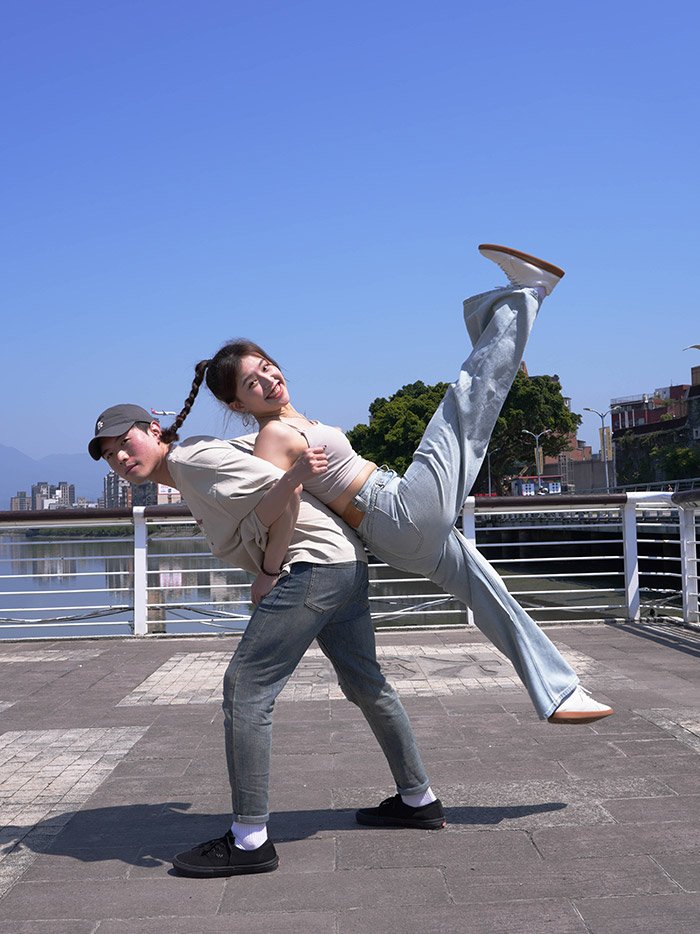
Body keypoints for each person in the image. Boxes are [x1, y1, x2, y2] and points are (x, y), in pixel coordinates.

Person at [163, 244, 614, 726]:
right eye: (253, 383)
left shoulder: (289, 423)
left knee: (491, 595)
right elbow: (276, 503)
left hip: (394, 524)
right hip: (393, 512)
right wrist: (270, 568)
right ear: (238, 404)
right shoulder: (271, 436)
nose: (269, 379)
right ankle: (524, 296)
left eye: (266, 367)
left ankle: (560, 692)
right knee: (463, 410)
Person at [88, 405, 445, 878]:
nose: (120, 457)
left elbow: (288, 489)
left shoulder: (193, 462)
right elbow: (268, 464)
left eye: (125, 443)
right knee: (365, 683)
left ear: (154, 431)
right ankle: (418, 799)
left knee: (246, 688)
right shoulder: (196, 460)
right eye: (109, 455)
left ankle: (249, 839)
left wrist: (269, 571)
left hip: (310, 566)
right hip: (344, 561)